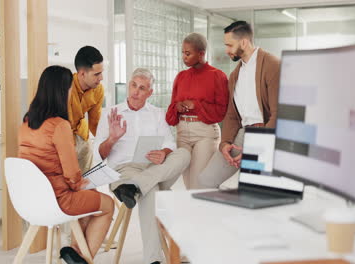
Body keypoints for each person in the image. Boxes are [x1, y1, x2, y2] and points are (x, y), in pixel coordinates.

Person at [18, 65, 114, 264]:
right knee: (107, 204)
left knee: (91, 199)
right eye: (70, 88)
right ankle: (79, 255)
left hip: (30, 198)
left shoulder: (26, 122)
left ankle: (76, 253)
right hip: (57, 199)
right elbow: (72, 176)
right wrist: (81, 183)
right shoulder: (59, 125)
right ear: (62, 91)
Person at [94, 68, 191, 264]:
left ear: (150, 93)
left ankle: (134, 187)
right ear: (128, 85)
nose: (136, 92)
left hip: (152, 168)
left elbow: (170, 143)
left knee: (184, 153)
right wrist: (112, 139)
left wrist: (163, 153)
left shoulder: (157, 114)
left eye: (142, 88)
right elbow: (99, 155)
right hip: (124, 171)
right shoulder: (110, 113)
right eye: (133, 85)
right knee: (152, 191)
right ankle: (152, 259)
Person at [199, 21, 280, 187]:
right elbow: (232, 115)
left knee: (254, 190)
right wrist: (225, 143)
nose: (227, 50)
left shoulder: (272, 65)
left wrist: (256, 150)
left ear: (244, 42)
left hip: (266, 134)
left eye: (230, 45)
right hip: (243, 134)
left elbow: (279, 114)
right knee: (206, 180)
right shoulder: (235, 75)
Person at [166, 32, 229, 189]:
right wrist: (177, 107)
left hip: (205, 134)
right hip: (182, 133)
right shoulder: (180, 77)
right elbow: (170, 112)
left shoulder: (217, 76)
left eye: (188, 53)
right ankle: (195, 213)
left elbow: (222, 111)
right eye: (182, 53)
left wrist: (197, 105)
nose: (184, 57)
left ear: (201, 53)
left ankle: (207, 211)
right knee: (188, 186)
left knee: (198, 185)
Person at [68, 46, 105, 173]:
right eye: (97, 74)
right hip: (64, 138)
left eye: (101, 72)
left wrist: (107, 144)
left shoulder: (98, 89)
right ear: (82, 74)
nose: (101, 78)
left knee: (86, 182)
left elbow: (95, 122)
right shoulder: (65, 86)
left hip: (83, 137)